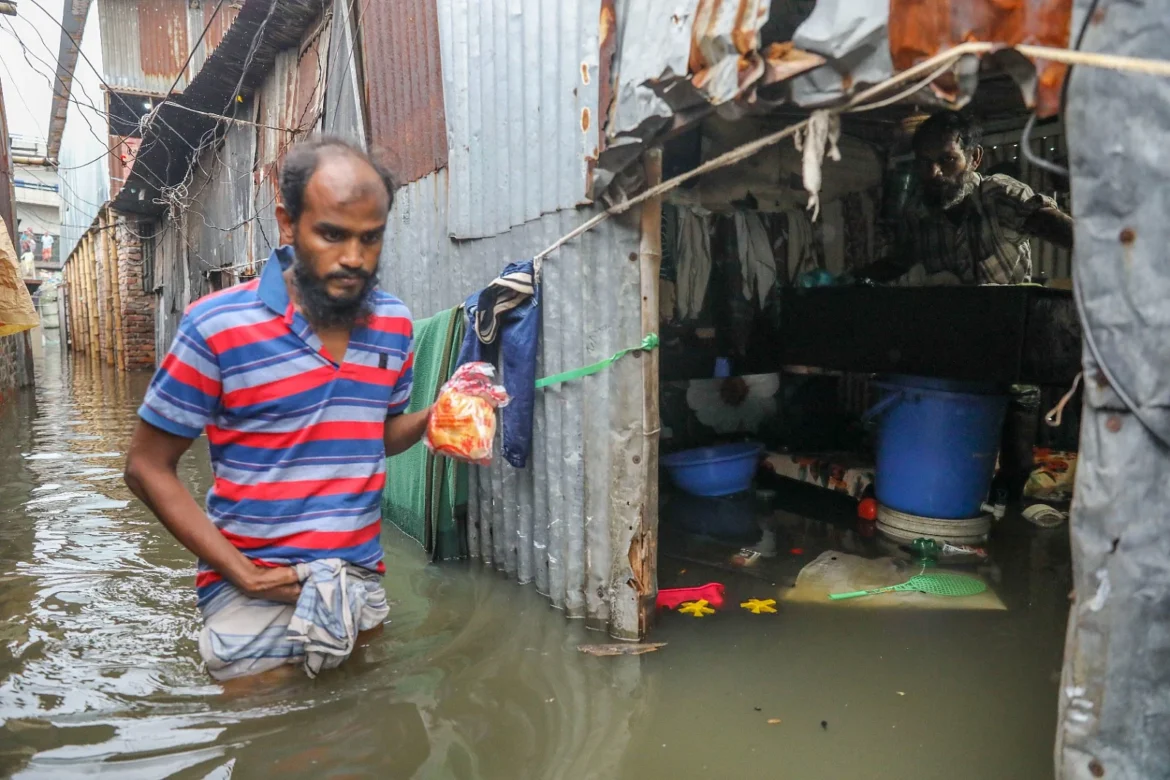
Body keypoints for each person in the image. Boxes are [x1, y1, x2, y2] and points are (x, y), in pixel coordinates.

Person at [124, 137, 429, 680]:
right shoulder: (216, 327)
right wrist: (243, 574)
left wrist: (433, 419)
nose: (354, 259)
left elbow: (372, 436)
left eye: (370, 238)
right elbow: (145, 467)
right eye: (332, 234)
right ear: (287, 223)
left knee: (368, 736)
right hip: (254, 592)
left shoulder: (395, 325)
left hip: (357, 581)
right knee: (269, 746)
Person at [861, 111, 1073, 285]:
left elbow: (1057, 226)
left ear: (975, 158)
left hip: (1009, 325)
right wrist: (850, 280)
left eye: (948, 159)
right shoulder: (917, 212)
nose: (934, 172)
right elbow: (899, 261)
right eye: (925, 161)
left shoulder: (999, 196)